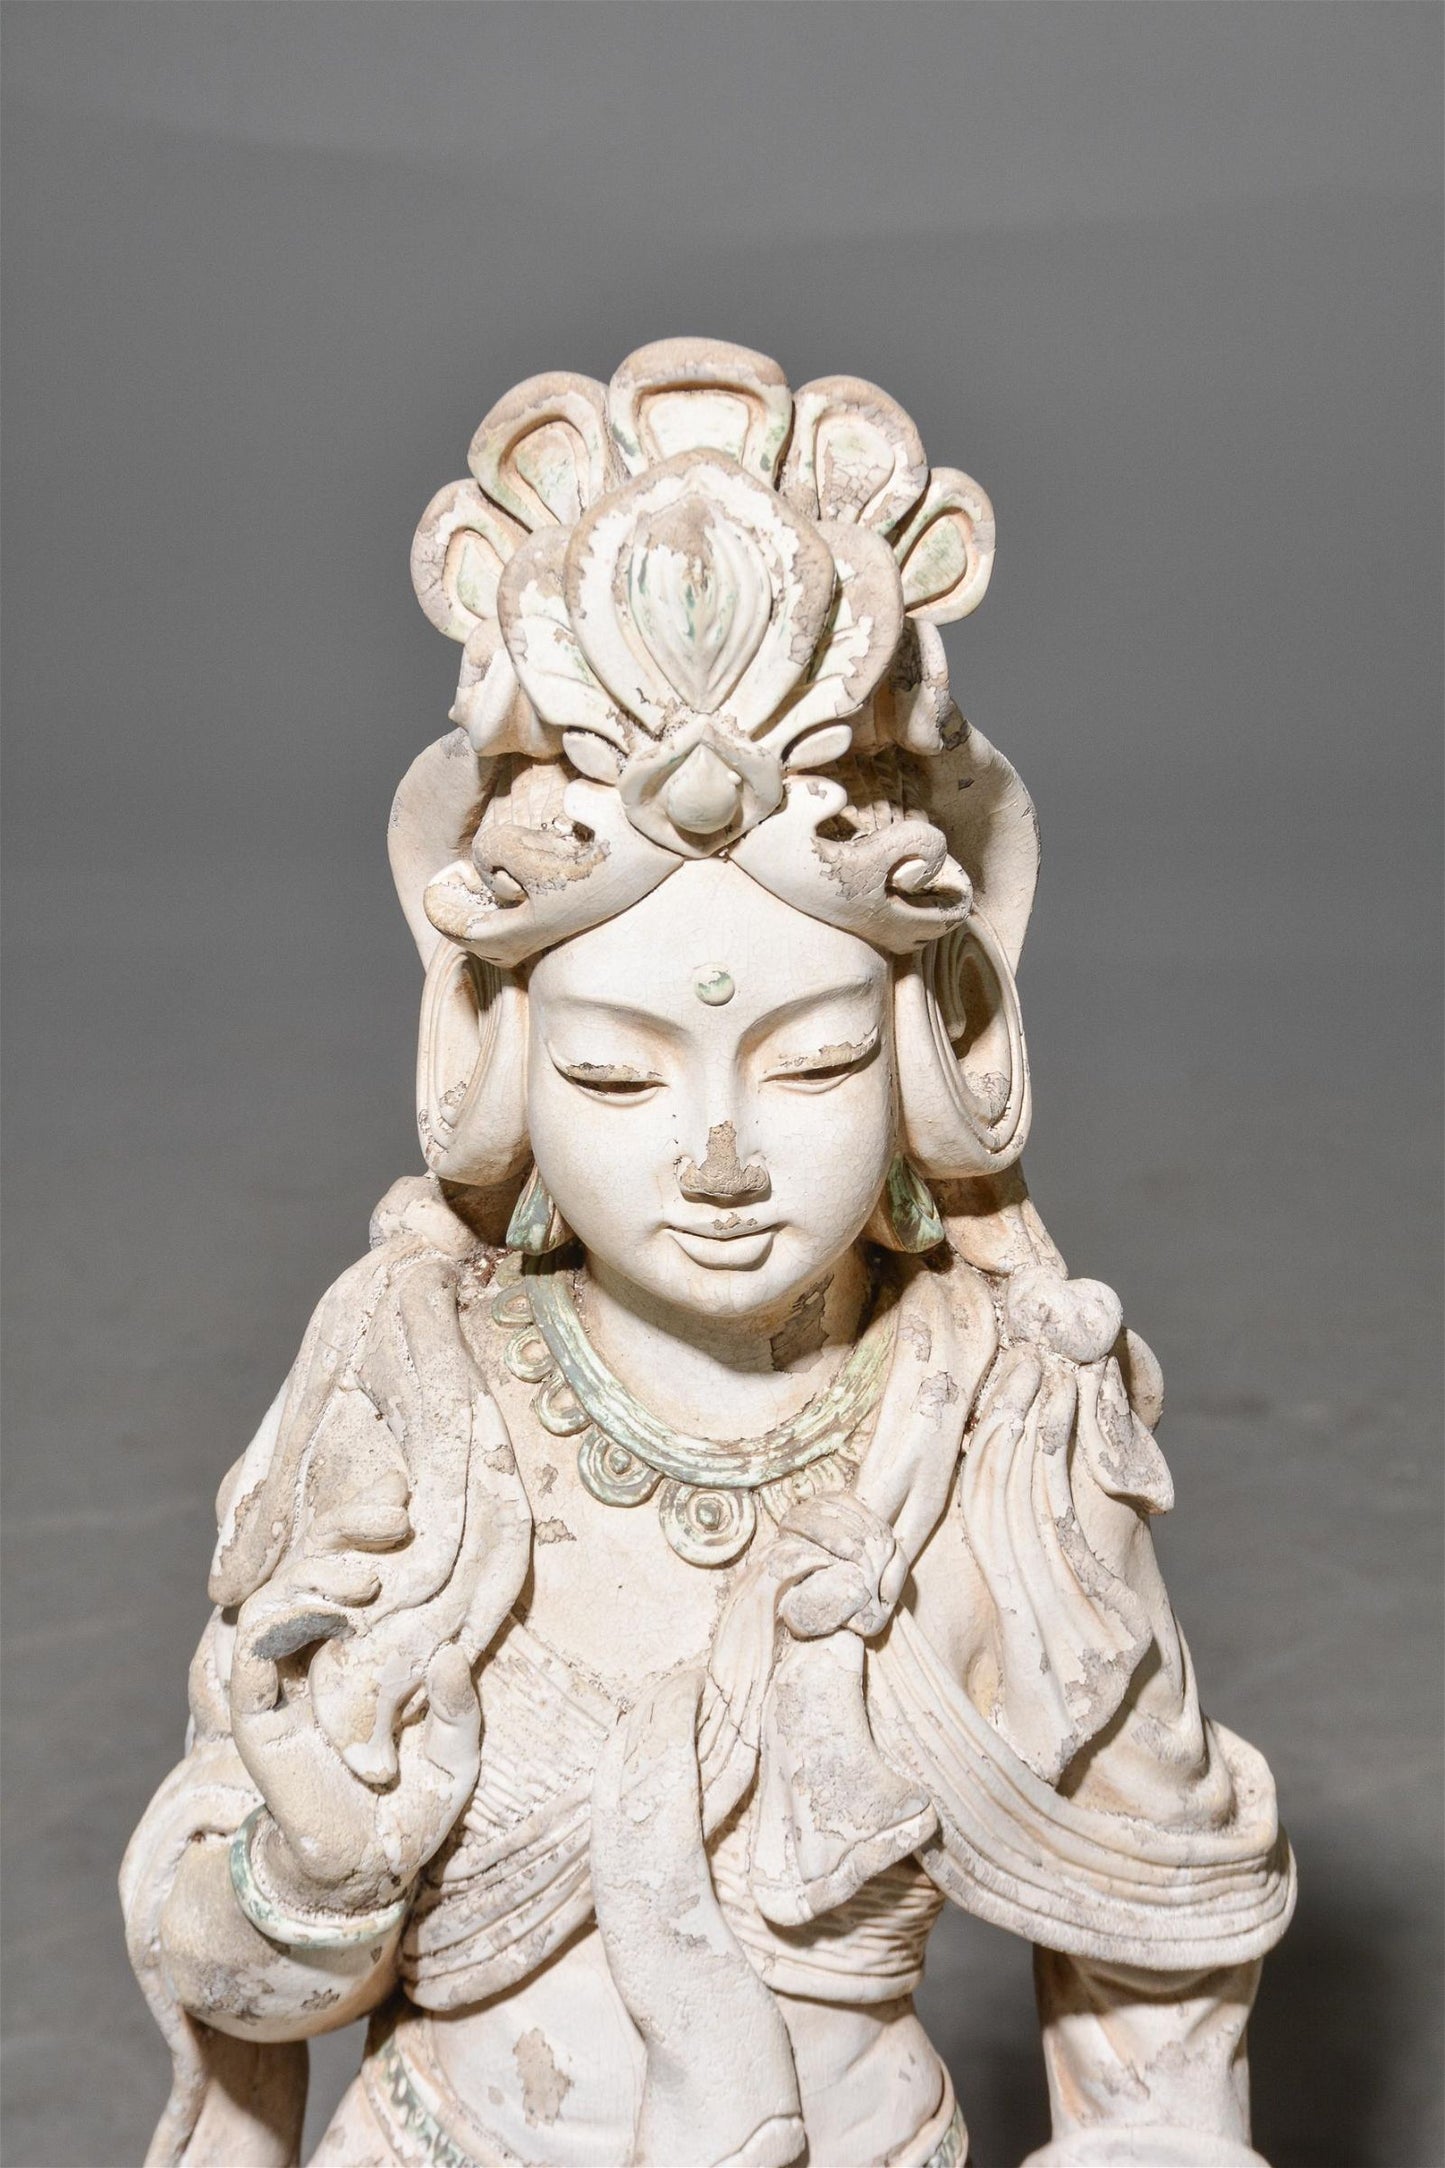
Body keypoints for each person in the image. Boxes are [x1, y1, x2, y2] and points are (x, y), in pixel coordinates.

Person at [122, 341, 1293, 2168]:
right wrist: (311, 1877)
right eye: (615, 1073)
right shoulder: (411, 1385)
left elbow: (1152, 1955)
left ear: (923, 1055)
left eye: (814, 1064)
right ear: (501, 1066)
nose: (724, 1158)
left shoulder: (999, 1426)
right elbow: (233, 1968)